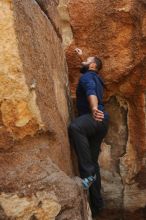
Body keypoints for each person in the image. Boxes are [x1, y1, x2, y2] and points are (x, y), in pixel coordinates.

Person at [68, 48, 109, 218]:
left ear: (92, 65)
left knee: (75, 127)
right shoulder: (96, 76)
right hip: (103, 122)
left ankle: (87, 175)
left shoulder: (87, 78)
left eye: (86, 60)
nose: (82, 62)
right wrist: (81, 56)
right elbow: (87, 67)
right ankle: (98, 206)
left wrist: (93, 108)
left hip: (94, 117)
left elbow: (90, 91)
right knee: (93, 162)